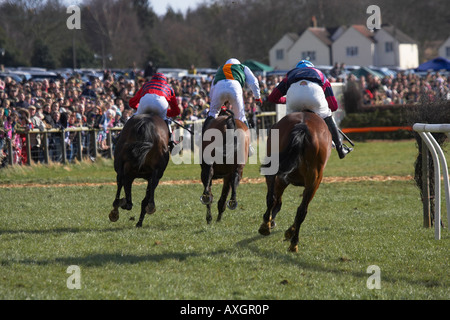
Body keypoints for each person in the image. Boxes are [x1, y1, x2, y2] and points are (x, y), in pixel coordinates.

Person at [268, 60, 352, 159]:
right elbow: (334, 106)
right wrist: (327, 113)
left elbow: (272, 98)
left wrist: (287, 100)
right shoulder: (320, 74)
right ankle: (340, 148)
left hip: (294, 100)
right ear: (312, 68)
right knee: (328, 115)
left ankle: (274, 155)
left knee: (287, 123)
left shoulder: (290, 74)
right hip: (315, 97)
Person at [204, 58, 262, 156]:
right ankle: (248, 146)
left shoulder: (221, 69)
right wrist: (257, 97)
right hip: (235, 88)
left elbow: (212, 89)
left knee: (212, 113)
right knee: (241, 117)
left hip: (219, 89)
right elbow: (254, 82)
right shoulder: (242, 67)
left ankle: (204, 140)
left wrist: (218, 103)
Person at [129, 73, 181, 151]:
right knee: (166, 121)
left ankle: (122, 135)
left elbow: (132, 102)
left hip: (145, 100)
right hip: (161, 103)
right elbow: (176, 111)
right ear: (165, 80)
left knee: (134, 117)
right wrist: (166, 114)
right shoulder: (169, 88)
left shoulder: (146, 85)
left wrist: (139, 109)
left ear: (153, 79)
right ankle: (172, 141)